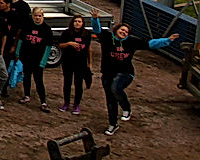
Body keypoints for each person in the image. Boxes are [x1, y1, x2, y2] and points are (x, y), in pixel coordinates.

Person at [91, 8, 179, 136]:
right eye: (122, 30)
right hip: (108, 73)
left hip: (125, 73)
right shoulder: (107, 38)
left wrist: (168, 40)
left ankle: (126, 108)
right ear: (116, 30)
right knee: (110, 100)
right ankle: (113, 124)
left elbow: (151, 44)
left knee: (115, 87)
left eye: (126, 32)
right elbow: (97, 30)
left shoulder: (132, 42)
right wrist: (95, 19)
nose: (124, 32)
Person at [17, 7, 54, 112]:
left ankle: (43, 101)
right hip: (27, 57)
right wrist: (17, 53)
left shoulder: (46, 29)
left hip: (38, 60)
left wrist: (43, 61)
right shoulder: (27, 26)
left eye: (40, 16)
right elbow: (21, 40)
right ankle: (27, 95)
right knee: (26, 77)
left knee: (39, 80)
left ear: (43, 16)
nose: (37, 18)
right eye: (36, 15)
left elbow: (48, 47)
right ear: (32, 16)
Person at [57, 15, 92, 115]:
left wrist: (90, 63)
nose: (77, 23)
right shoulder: (67, 32)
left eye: (79, 21)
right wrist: (69, 43)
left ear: (83, 23)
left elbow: (89, 49)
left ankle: (76, 104)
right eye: (75, 21)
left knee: (78, 84)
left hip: (81, 62)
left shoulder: (86, 34)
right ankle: (66, 103)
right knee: (67, 82)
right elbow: (60, 45)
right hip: (68, 61)